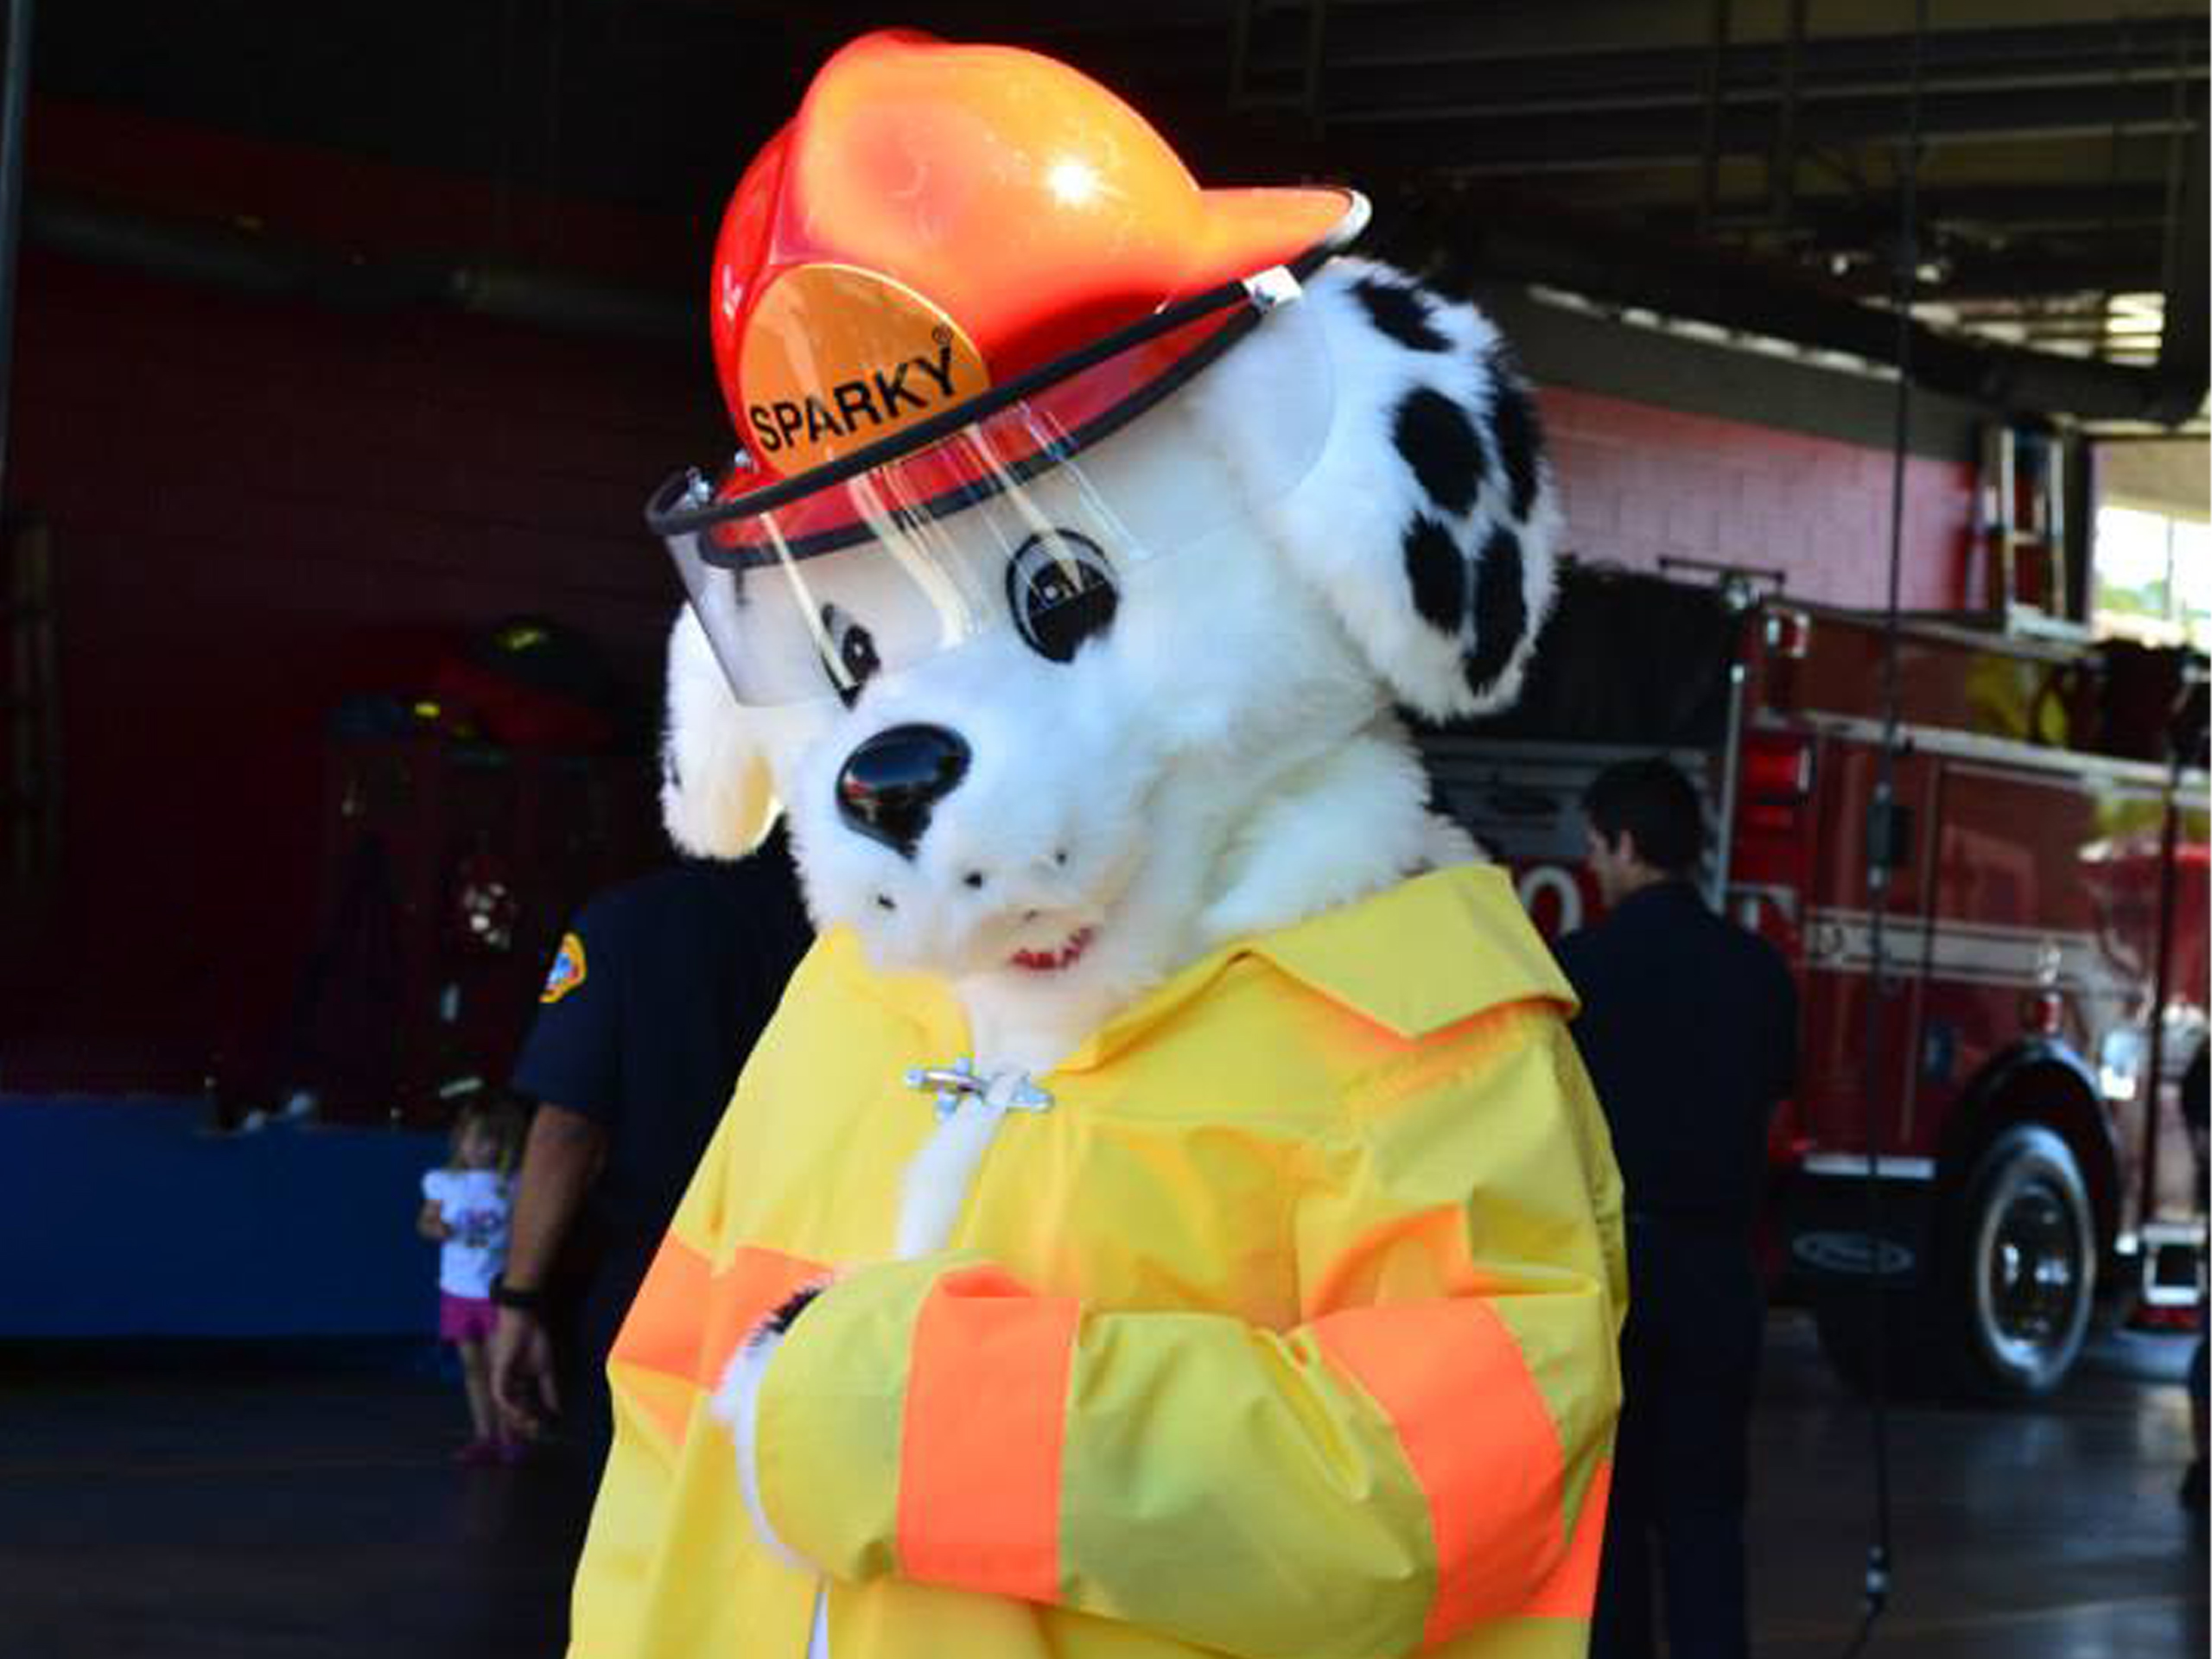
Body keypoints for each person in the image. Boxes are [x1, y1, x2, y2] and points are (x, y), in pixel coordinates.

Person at [1555, 756, 1797, 1659]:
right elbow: (1774, 1114)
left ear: (1625, 843)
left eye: (1594, 846)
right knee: (1705, 1517)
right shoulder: (1757, 971)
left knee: (1608, 1525)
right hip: (1716, 1273)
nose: (1592, 865)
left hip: (1608, 1277)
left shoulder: (1576, 970)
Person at [488, 826, 811, 1470]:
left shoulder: (627, 924)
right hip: (816, 1295)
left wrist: (521, 1299)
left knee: (638, 1533)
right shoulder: (868, 941)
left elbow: (567, 1129)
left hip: (659, 1290)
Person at [416, 1092, 525, 1465]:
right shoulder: (445, 1182)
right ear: (460, 1140)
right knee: (472, 1365)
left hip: (496, 1289)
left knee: (502, 1365)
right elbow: (426, 1222)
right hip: (458, 1290)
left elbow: (524, 1228)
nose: (480, 1147)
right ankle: (485, 1436)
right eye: (473, 1138)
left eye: (489, 1139)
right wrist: (438, 1227)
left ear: (501, 1143)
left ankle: (510, 1433)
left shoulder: (511, 1183)